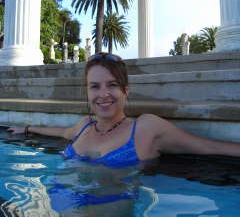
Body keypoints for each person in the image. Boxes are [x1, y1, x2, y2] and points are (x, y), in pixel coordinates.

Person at [7, 52, 240, 163]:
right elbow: (59, 132)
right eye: (95, 87)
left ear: (125, 90)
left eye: (112, 85)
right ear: (88, 92)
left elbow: (206, 146)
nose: (103, 94)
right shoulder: (83, 127)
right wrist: (27, 128)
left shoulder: (145, 128)